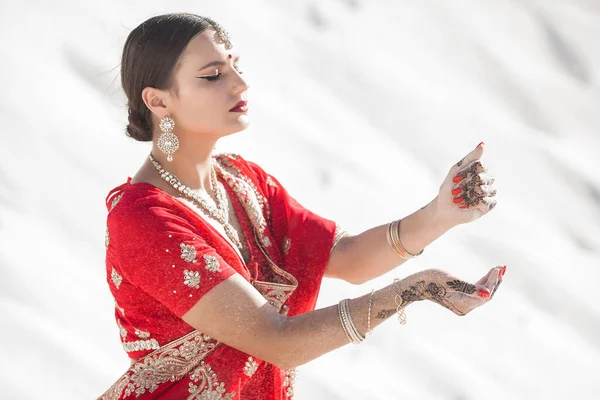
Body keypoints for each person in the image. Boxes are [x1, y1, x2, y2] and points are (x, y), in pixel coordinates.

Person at [98, 12, 504, 400]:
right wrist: (413, 289)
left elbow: (348, 257)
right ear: (158, 101)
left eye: (236, 65)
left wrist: (438, 214)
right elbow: (277, 341)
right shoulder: (143, 219)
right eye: (213, 76)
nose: (240, 84)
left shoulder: (241, 181)